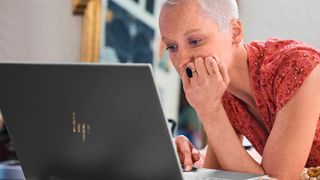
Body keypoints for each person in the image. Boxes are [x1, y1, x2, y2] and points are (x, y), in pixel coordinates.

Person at [159, 0, 320, 179]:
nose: (181, 60)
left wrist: (210, 111)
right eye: (172, 47)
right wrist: (186, 159)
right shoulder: (220, 89)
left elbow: (277, 179)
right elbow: (217, 173)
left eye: (195, 41)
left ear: (235, 32)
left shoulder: (297, 66)